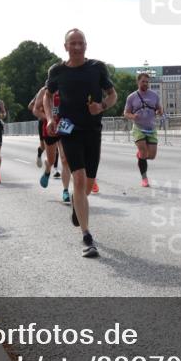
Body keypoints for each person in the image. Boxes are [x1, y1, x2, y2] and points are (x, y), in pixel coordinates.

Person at [43, 29, 117, 258]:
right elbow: (47, 95)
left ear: (86, 45)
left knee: (87, 185)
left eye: (81, 43)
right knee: (78, 177)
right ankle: (86, 236)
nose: (77, 47)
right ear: (65, 46)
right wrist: (48, 118)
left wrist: (102, 106)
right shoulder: (57, 71)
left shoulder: (97, 68)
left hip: (93, 130)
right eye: (73, 43)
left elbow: (112, 94)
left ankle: (78, 205)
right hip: (69, 130)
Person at [30, 85, 71, 202]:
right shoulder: (44, 91)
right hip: (50, 127)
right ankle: (48, 170)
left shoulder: (66, 86)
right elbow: (35, 110)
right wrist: (48, 119)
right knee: (52, 160)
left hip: (64, 125)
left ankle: (65, 191)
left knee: (65, 160)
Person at [123, 72, 163, 187]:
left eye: (147, 82)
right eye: (143, 82)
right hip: (138, 128)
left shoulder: (154, 95)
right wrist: (133, 116)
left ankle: (140, 155)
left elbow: (159, 108)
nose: (145, 84)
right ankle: (144, 178)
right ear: (138, 82)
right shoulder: (132, 97)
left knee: (151, 156)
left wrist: (160, 111)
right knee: (144, 152)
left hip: (151, 127)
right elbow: (126, 113)